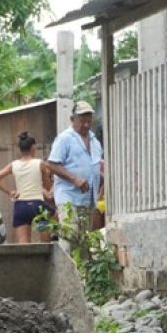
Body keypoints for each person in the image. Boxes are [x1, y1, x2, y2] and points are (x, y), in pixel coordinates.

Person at [47, 100, 100, 253]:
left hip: (88, 199)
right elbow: (52, 164)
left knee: (83, 242)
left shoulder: (94, 141)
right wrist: (74, 179)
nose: (86, 125)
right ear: (72, 119)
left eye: (89, 121)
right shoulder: (65, 138)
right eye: (82, 121)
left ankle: (80, 275)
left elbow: (95, 167)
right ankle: (65, 274)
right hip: (68, 197)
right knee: (69, 237)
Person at [0, 131, 55, 243]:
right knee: (45, 239)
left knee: (23, 241)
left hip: (21, 206)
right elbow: (48, 187)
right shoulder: (40, 163)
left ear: (20, 149)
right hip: (37, 206)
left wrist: (10, 192)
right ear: (33, 147)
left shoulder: (14, 164)